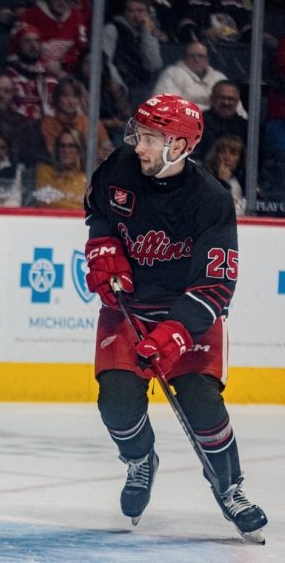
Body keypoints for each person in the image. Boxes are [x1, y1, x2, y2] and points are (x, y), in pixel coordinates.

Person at [83, 93, 266, 542]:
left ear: (180, 146)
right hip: (128, 308)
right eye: (139, 134)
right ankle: (140, 460)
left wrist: (173, 334)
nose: (138, 146)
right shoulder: (119, 167)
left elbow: (215, 286)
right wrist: (103, 247)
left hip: (187, 312)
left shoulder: (211, 199)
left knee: (201, 403)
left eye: (150, 138)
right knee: (116, 403)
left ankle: (230, 488)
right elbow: (98, 212)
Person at [32, 128, 85, 209]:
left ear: (79, 150)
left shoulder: (88, 177)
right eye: (62, 146)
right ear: (57, 149)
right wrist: (77, 206)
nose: (66, 151)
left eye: (71, 146)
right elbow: (44, 202)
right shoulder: (45, 172)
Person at [203, 133, 246, 215]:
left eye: (233, 153)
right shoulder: (205, 178)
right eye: (222, 152)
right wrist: (222, 182)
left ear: (240, 158)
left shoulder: (246, 180)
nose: (227, 157)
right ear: (216, 154)